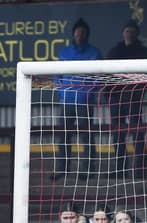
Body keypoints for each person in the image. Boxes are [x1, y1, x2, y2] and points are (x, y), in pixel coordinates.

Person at [53, 18, 102, 180]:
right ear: (73, 34)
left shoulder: (94, 53)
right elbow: (57, 77)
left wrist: (88, 92)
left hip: (85, 103)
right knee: (63, 136)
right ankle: (63, 169)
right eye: (77, 32)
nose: (80, 35)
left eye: (83, 32)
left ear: (87, 35)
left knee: (87, 136)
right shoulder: (64, 53)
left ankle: (88, 170)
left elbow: (99, 77)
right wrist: (62, 92)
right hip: (66, 103)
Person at [106, 19, 147, 179]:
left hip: (134, 99)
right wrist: (109, 95)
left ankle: (139, 171)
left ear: (137, 33)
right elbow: (106, 76)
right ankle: (120, 170)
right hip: (116, 100)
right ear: (123, 33)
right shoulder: (114, 52)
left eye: (132, 31)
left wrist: (137, 94)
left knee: (137, 135)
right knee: (118, 135)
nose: (129, 34)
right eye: (127, 31)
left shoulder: (143, 52)